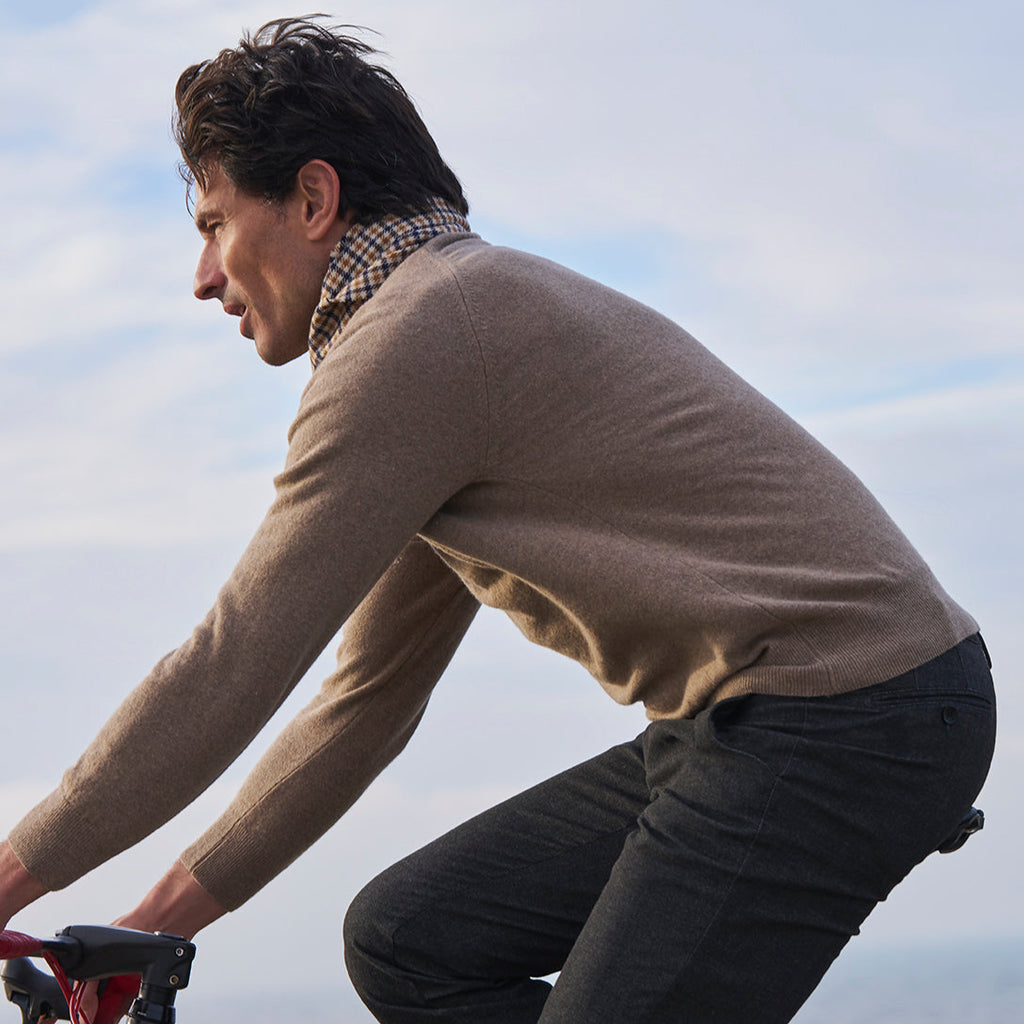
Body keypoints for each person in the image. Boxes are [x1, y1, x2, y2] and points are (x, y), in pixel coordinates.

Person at [0, 17, 996, 1024]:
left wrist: (5, 881)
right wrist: (150, 928)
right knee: (408, 940)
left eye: (214, 224)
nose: (203, 276)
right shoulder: (441, 328)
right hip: (776, 715)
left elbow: (230, 664)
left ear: (312, 199)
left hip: (846, 714)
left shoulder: (417, 340)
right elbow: (368, 697)